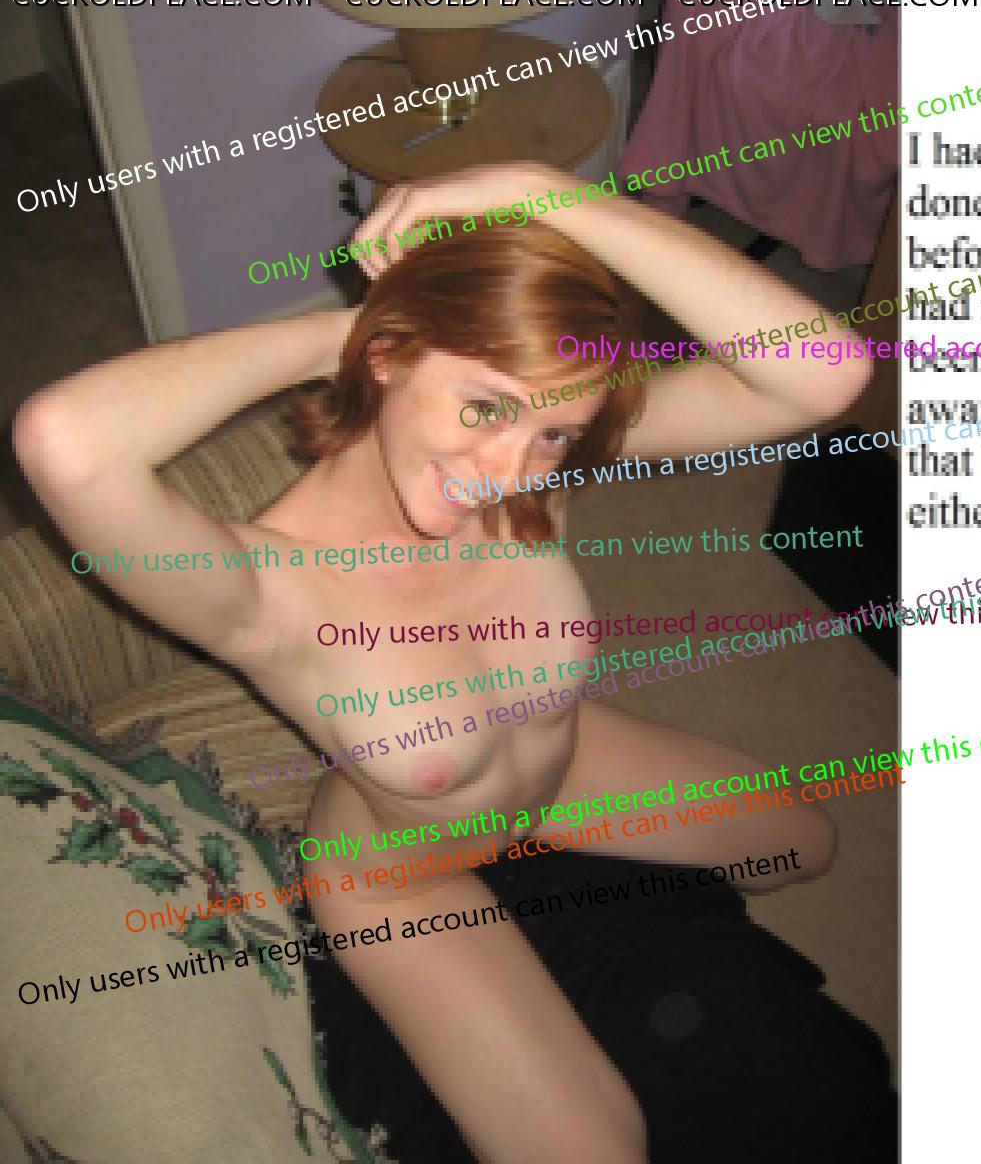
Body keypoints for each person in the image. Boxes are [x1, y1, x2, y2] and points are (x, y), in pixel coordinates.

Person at [15, 161, 874, 1163]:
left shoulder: (533, 482)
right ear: (387, 358)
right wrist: (348, 330)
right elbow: (65, 442)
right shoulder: (264, 591)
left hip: (558, 769)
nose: (505, 470)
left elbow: (823, 373)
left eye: (552, 432)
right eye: (484, 407)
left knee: (802, 846)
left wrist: (540, 189)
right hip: (402, 868)